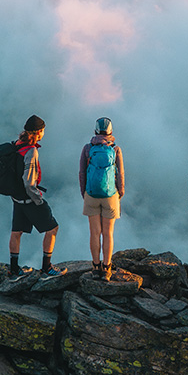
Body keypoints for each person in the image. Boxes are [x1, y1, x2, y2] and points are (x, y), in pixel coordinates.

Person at [8, 115, 60, 275]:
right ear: (38, 132)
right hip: (29, 198)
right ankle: (47, 268)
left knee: (16, 233)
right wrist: (38, 200)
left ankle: (14, 270)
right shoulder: (31, 151)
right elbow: (29, 182)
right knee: (52, 229)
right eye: (43, 130)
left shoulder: (16, 145)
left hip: (16, 197)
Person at [78, 116, 126, 280]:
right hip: (110, 195)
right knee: (108, 233)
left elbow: (82, 173)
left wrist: (84, 192)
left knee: (94, 232)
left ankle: (95, 266)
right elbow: (120, 173)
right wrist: (120, 192)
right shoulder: (116, 149)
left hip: (91, 194)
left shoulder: (87, 148)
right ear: (111, 132)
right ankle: (107, 268)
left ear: (95, 131)